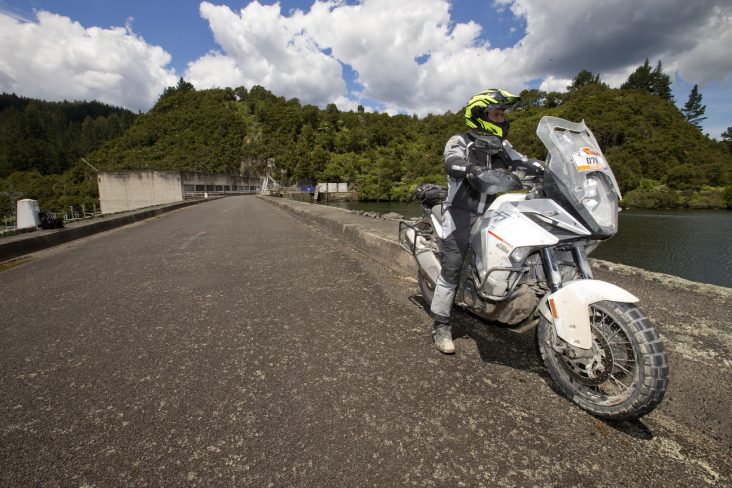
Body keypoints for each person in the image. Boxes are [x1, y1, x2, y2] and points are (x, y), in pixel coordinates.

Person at [430, 88, 544, 354]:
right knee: (452, 266)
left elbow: (524, 162)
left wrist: (546, 169)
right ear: (480, 115)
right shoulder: (460, 140)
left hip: (496, 212)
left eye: (502, 114)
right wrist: (471, 168)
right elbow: (452, 161)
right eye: (497, 114)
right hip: (461, 212)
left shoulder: (504, 146)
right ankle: (441, 325)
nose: (502, 118)